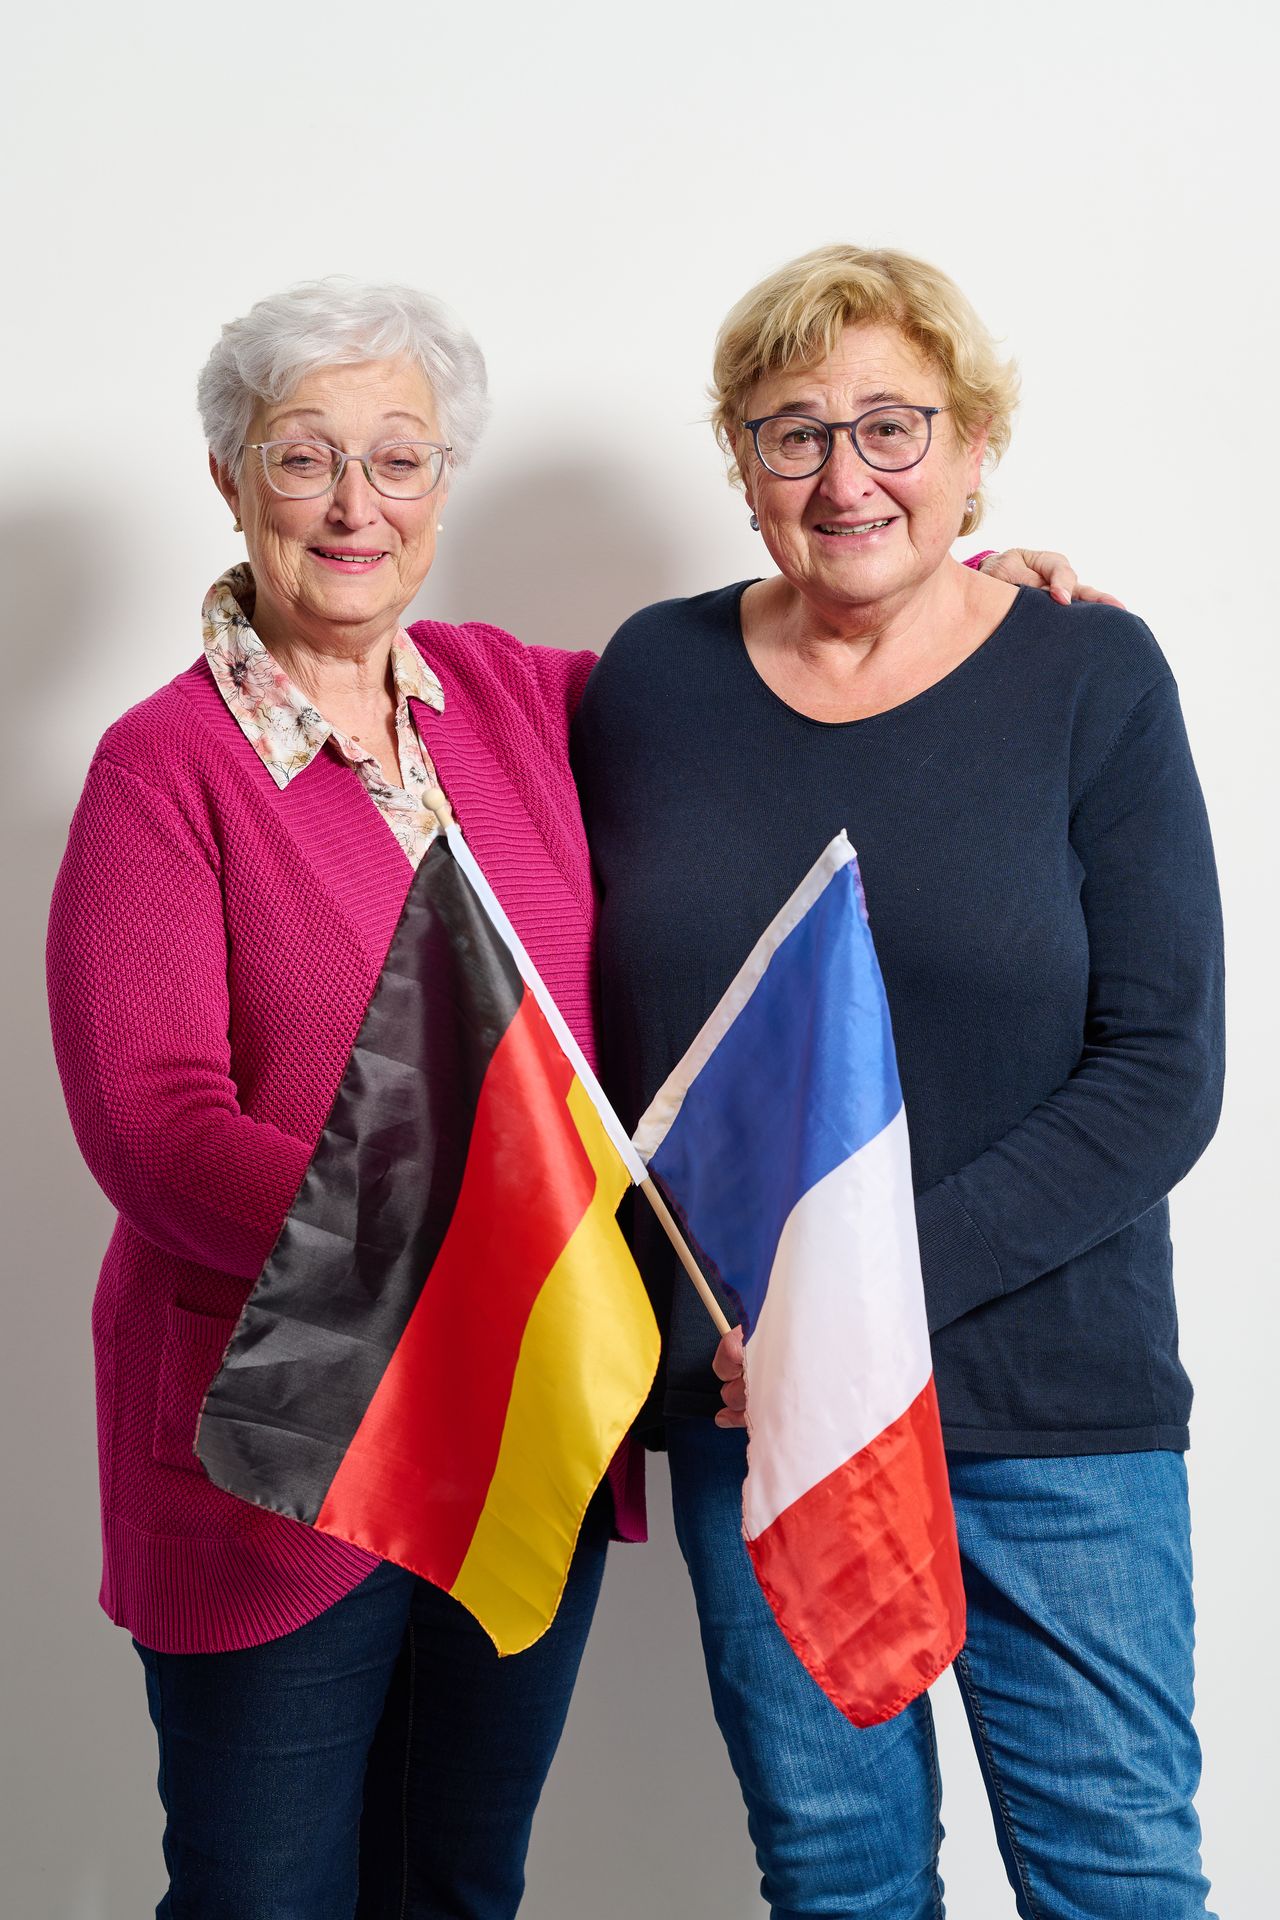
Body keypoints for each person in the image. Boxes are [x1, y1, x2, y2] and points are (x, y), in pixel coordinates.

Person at [47, 270, 1094, 1920]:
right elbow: (155, 1131)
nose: (354, 505)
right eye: (305, 456)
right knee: (265, 1898)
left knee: (460, 1884)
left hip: (520, 1430)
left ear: (443, 487)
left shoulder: (522, 703)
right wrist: (447, 1251)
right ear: (229, 476)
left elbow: (790, 685)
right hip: (281, 1452)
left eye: (400, 459)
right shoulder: (160, 768)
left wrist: (964, 593)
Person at [572, 244, 1223, 1919]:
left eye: (892, 425)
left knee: (1116, 1883)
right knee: (839, 1882)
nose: (844, 475)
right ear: (740, 465)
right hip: (763, 1408)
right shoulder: (648, 682)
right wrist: (756, 1326)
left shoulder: (1092, 678)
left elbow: (1163, 1074)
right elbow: (608, 1048)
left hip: (1051, 1413)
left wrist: (856, 1297)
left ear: (977, 445)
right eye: (792, 433)